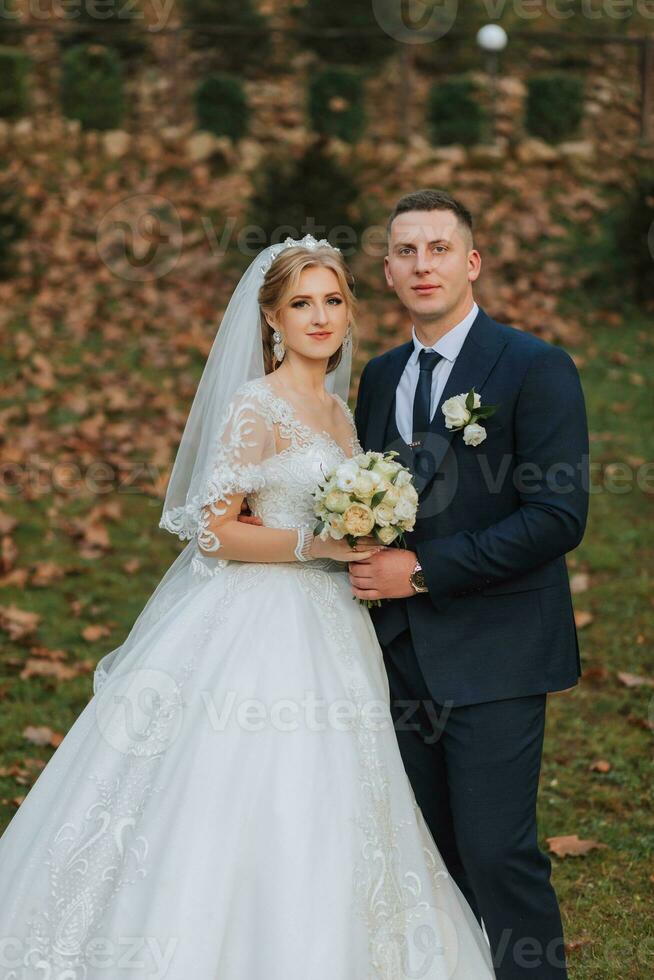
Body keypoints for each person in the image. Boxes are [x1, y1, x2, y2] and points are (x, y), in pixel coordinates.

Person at [0, 234, 495, 979]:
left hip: (332, 625)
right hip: (257, 621)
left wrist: (364, 526)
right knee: (241, 779)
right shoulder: (255, 404)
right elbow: (213, 528)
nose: (320, 318)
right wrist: (320, 547)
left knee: (340, 783)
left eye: (332, 301)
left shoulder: (335, 409)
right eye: (301, 303)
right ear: (271, 318)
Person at [347, 189, 590, 979]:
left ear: (472, 262)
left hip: (497, 650)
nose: (424, 264)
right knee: (427, 853)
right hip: (399, 656)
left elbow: (557, 516)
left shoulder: (534, 367)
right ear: (387, 271)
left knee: (497, 851)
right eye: (407, 251)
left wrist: (421, 571)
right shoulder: (381, 377)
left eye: (440, 248)